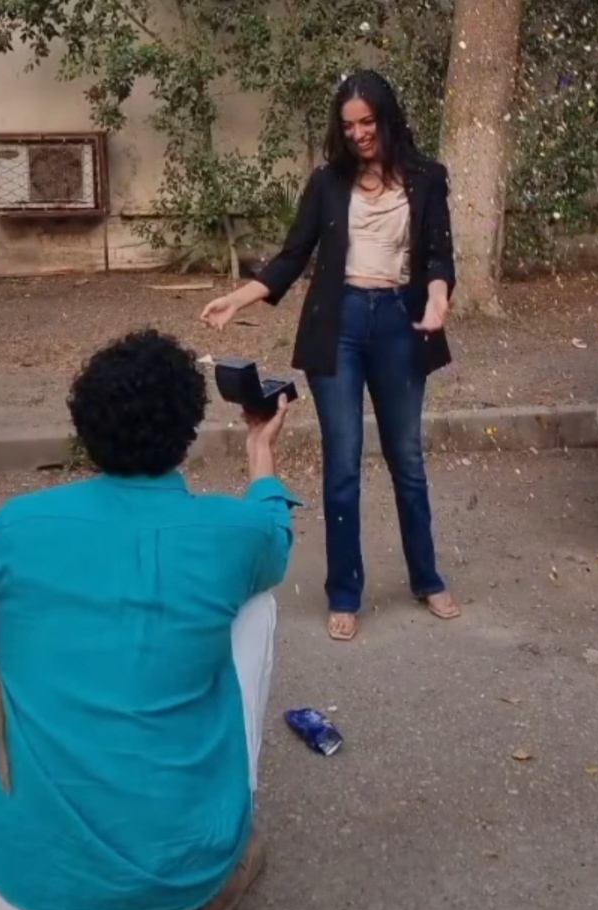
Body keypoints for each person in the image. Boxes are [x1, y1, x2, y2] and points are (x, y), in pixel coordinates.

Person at [0, 330, 299, 910]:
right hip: (184, 868)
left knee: (25, 690)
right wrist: (261, 454)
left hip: (28, 887)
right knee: (256, 603)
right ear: (187, 431)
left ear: (85, 428)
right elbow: (274, 539)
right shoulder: (232, 534)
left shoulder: (16, 528)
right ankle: (221, 871)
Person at [201, 69, 460, 642]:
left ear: (387, 118)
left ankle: (426, 577)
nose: (359, 134)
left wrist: (438, 297)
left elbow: (440, 257)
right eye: (348, 126)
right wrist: (239, 298)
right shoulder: (327, 182)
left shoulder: (427, 178)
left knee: (406, 459)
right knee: (342, 464)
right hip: (338, 325)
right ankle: (344, 591)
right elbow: (293, 255)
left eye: (367, 122)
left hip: (400, 323)